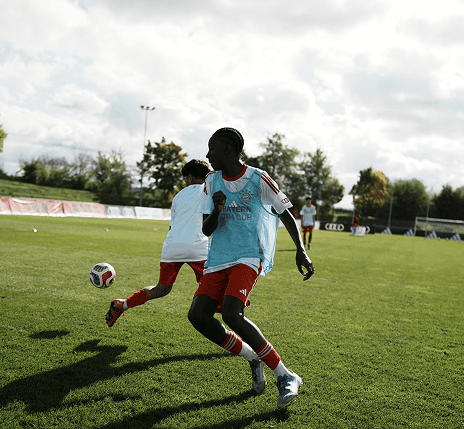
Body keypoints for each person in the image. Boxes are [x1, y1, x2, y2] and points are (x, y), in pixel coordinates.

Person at [187, 127, 314, 408]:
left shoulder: (258, 179)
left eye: (212, 148)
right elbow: (206, 230)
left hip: (249, 254)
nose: (207, 155)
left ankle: (286, 375)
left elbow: (286, 212)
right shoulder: (211, 181)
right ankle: (251, 355)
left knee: (233, 313)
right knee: (198, 316)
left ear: (228, 150)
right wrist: (218, 210)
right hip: (219, 256)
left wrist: (300, 249)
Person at [105, 160, 255, 338]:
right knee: (212, 290)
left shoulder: (178, 196)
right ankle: (234, 317)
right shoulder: (210, 190)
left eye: (185, 179)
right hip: (197, 247)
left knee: (162, 288)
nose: (185, 182)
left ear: (190, 177)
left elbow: (172, 227)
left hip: (171, 246)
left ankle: (123, 304)